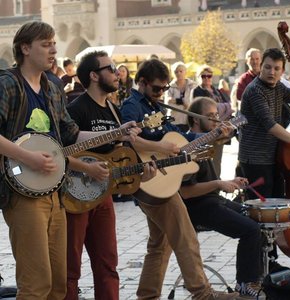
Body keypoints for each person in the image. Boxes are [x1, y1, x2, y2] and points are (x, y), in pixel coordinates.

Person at [0, 21, 140, 300]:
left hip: (55, 191)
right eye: (45, 44)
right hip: (21, 190)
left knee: (58, 284)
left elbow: (71, 135)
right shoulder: (8, 83)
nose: (53, 50)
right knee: (36, 283)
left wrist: (115, 132)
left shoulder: (52, 87)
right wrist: (29, 157)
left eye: (54, 43)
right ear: (25, 48)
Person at [121, 58, 239, 300]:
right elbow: (128, 139)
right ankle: (202, 292)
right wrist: (161, 147)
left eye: (165, 89)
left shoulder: (158, 107)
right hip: (148, 180)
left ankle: (147, 296)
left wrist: (212, 134)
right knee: (186, 235)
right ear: (141, 83)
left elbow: (176, 138)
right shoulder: (132, 105)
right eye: (157, 88)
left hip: (159, 182)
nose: (162, 93)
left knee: (159, 245)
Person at [64, 50, 156, 300]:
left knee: (108, 264)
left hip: (104, 196)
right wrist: (88, 168)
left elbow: (118, 158)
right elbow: (64, 151)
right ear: (94, 75)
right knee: (70, 269)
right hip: (75, 196)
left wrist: (141, 174)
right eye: (110, 69)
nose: (117, 73)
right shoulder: (76, 109)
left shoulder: (115, 111)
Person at [181, 97, 262, 299]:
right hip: (197, 206)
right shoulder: (190, 145)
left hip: (211, 200)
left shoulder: (209, 143)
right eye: (211, 117)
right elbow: (186, 192)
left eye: (217, 115)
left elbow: (209, 181)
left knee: (255, 216)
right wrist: (219, 184)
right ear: (196, 120)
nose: (217, 121)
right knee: (250, 229)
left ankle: (256, 278)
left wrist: (230, 181)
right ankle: (245, 284)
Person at [239, 47, 290, 200]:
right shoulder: (254, 90)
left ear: (282, 71)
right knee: (262, 207)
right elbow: (271, 126)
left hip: (273, 156)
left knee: (277, 202)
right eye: (267, 67)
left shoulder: (278, 87)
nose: (271, 72)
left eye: (276, 68)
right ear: (261, 67)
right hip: (255, 159)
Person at [191, 64, 233, 178]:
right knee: (205, 160)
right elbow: (198, 110)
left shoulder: (217, 90)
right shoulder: (197, 91)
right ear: (198, 77)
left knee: (217, 160)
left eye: (209, 76)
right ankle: (208, 183)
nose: (206, 78)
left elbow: (228, 105)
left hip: (219, 128)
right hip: (205, 129)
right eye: (203, 76)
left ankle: (216, 183)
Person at [164, 61, 197, 131]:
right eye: (176, 72)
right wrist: (182, 102)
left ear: (185, 72)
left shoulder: (192, 85)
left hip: (188, 120)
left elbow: (192, 103)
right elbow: (168, 104)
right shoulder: (169, 87)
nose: (178, 73)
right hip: (174, 121)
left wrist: (175, 101)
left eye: (181, 71)